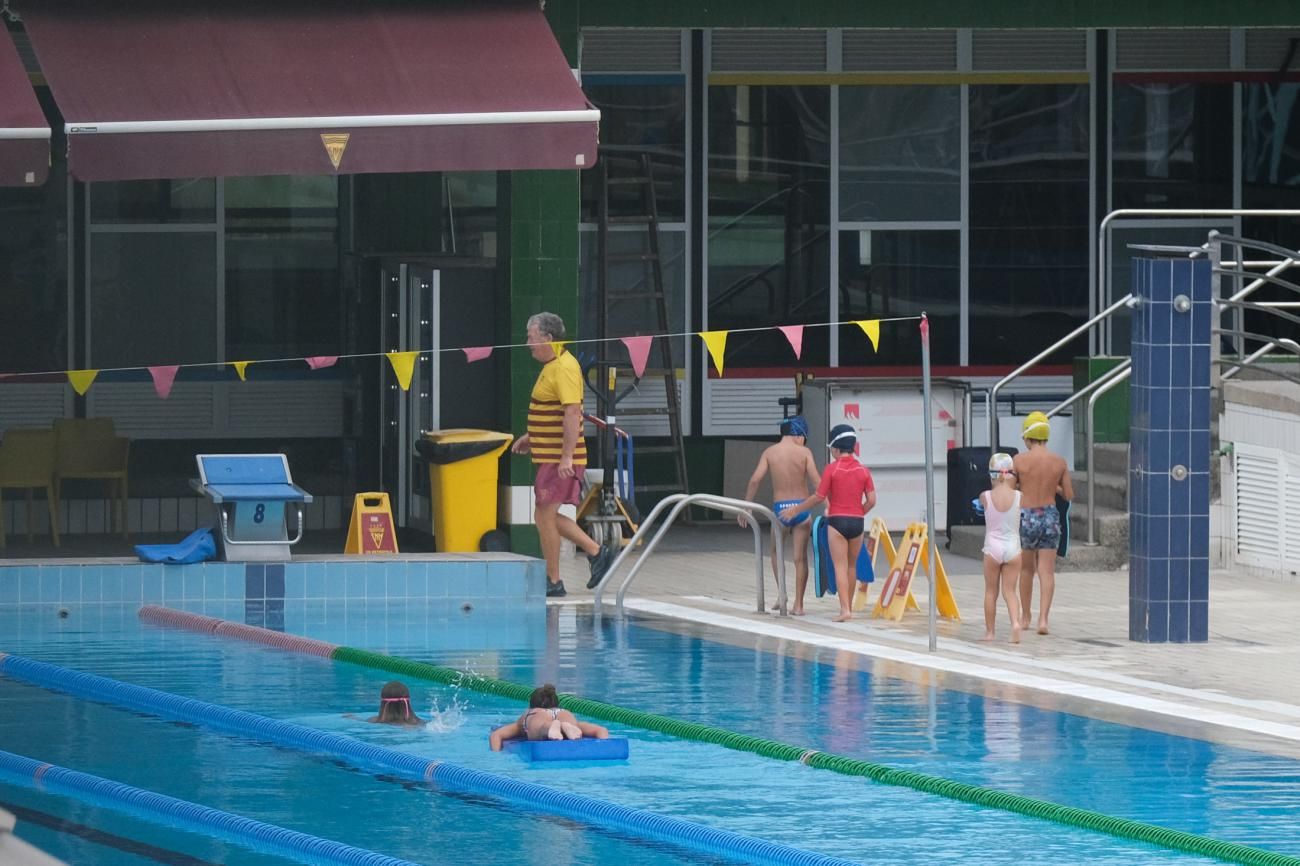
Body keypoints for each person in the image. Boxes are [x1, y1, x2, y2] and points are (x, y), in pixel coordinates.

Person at [510, 312, 616, 598]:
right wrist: (533, 437)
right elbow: (554, 411)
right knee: (546, 515)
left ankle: (554, 580)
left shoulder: (565, 367)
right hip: (550, 455)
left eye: (531, 337)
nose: (528, 343)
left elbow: (572, 412)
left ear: (548, 338)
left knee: (544, 515)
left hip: (560, 458)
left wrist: (567, 457)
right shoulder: (553, 365)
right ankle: (597, 553)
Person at [778, 424, 876, 622]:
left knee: (840, 566)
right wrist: (858, 512)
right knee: (851, 566)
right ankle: (850, 608)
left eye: (831, 448)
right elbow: (872, 501)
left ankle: (844, 609)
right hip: (857, 523)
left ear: (836, 448)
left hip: (837, 522)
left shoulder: (832, 469)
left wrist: (795, 510)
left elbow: (818, 496)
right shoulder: (863, 470)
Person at [738, 415, 822, 616]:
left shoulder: (770, 452)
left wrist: (746, 507)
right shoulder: (804, 453)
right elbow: (817, 483)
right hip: (801, 509)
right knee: (799, 558)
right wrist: (828, 506)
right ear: (799, 435)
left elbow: (755, 480)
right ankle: (799, 605)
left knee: (776, 553)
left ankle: (782, 594)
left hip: (780, 510)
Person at [1013, 411, 1074, 636]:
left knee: (1027, 569)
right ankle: (1043, 619)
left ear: (1028, 438)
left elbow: (1010, 490)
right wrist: (1053, 486)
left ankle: (1025, 616)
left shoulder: (1019, 460)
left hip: (1027, 516)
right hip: (1049, 516)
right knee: (1046, 571)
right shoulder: (1059, 462)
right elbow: (1068, 495)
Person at [980, 453, 1022, 644]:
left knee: (991, 591)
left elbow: (982, 508)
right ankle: (1015, 623)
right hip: (1013, 547)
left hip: (993, 547)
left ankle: (990, 632)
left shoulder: (986, 496)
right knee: (1010, 591)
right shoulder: (1019, 497)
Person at [489, 684, 610, 750]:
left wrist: (496, 755)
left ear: (531, 705)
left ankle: (549, 728)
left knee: (541, 728)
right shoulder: (562, 711)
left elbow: (496, 735)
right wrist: (602, 749)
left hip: (538, 718)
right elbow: (601, 730)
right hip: (563, 714)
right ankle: (564, 727)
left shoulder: (532, 713)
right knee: (575, 725)